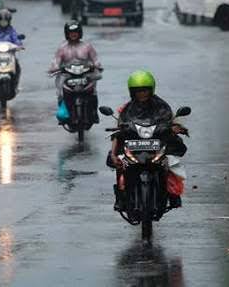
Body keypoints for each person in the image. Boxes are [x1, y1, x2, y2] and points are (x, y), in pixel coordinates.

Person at [108, 70, 187, 211]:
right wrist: (116, 145)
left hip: (157, 142)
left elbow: (171, 120)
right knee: (120, 163)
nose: (141, 94)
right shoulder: (126, 109)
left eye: (144, 90)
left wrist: (175, 127)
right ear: (132, 92)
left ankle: (173, 195)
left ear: (151, 90)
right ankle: (120, 196)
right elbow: (119, 128)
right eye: (138, 91)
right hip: (134, 144)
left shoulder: (162, 106)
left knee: (171, 161)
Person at [49, 22, 102, 121]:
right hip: (67, 75)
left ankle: (94, 113)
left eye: (75, 32)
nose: (73, 34)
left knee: (93, 91)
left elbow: (95, 59)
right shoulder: (62, 48)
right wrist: (55, 68)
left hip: (85, 73)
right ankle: (64, 113)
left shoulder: (87, 46)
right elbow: (56, 61)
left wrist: (97, 66)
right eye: (71, 32)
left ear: (80, 33)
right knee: (60, 92)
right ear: (67, 33)